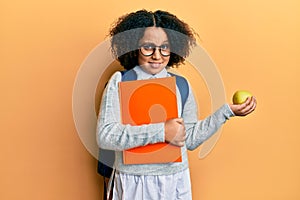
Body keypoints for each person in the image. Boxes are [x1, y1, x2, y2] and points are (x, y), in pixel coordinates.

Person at [96, 9, 256, 200]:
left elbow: (189, 139)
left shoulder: (181, 85)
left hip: (175, 182)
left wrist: (227, 112)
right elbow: (106, 136)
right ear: (133, 47)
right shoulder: (119, 82)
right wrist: (162, 131)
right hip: (133, 181)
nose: (157, 55)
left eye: (164, 47)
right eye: (148, 47)